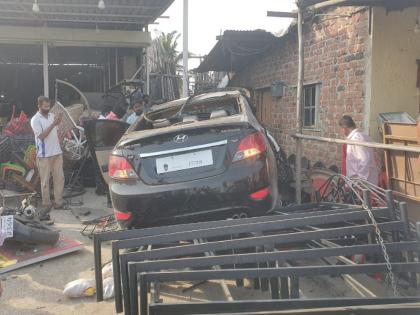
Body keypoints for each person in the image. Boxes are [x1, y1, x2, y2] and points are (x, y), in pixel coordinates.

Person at [30, 96, 65, 221]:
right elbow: (42, 136)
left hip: (57, 153)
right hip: (44, 155)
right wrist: (54, 123)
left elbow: (57, 131)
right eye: (45, 106)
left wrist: (59, 129)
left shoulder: (51, 116)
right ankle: (46, 204)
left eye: (48, 106)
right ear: (39, 106)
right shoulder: (35, 120)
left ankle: (58, 202)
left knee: (59, 179)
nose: (47, 108)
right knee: (45, 182)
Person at [339, 115, 379, 185]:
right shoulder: (364, 135)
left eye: (341, 129)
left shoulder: (356, 138)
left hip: (363, 183)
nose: (342, 132)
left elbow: (364, 160)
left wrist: (361, 182)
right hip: (360, 181)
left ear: (344, 128)